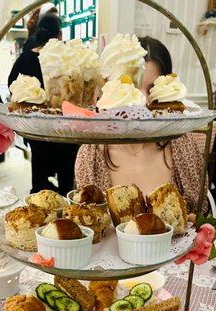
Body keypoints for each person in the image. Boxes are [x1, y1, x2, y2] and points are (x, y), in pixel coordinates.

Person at [75, 36, 208, 215]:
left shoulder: (183, 147)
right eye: (132, 88)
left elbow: (200, 213)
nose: (142, 100)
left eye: (153, 88)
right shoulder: (90, 156)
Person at [8, 13, 78, 195]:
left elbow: (11, 85)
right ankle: (66, 214)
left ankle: (39, 213)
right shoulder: (67, 60)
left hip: (37, 128)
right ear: (60, 35)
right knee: (66, 179)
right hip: (65, 128)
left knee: (39, 177)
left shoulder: (25, 58)